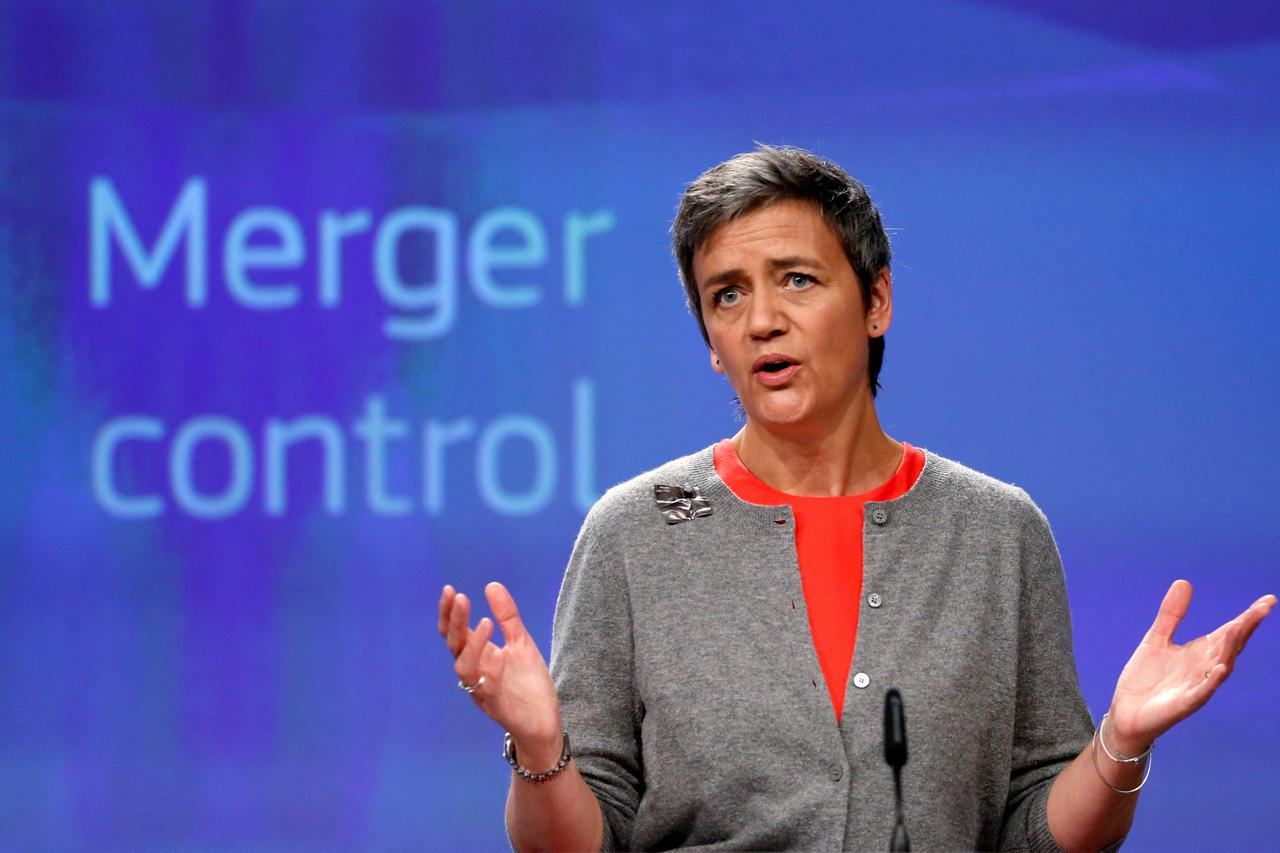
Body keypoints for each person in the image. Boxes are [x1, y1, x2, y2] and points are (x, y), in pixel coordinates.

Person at [439, 145, 1275, 852]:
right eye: (726, 294)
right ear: (710, 344)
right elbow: (587, 836)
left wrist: (1120, 743)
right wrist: (542, 750)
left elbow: (1037, 826)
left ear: (876, 301)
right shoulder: (634, 530)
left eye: (795, 280)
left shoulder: (998, 530)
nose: (761, 319)